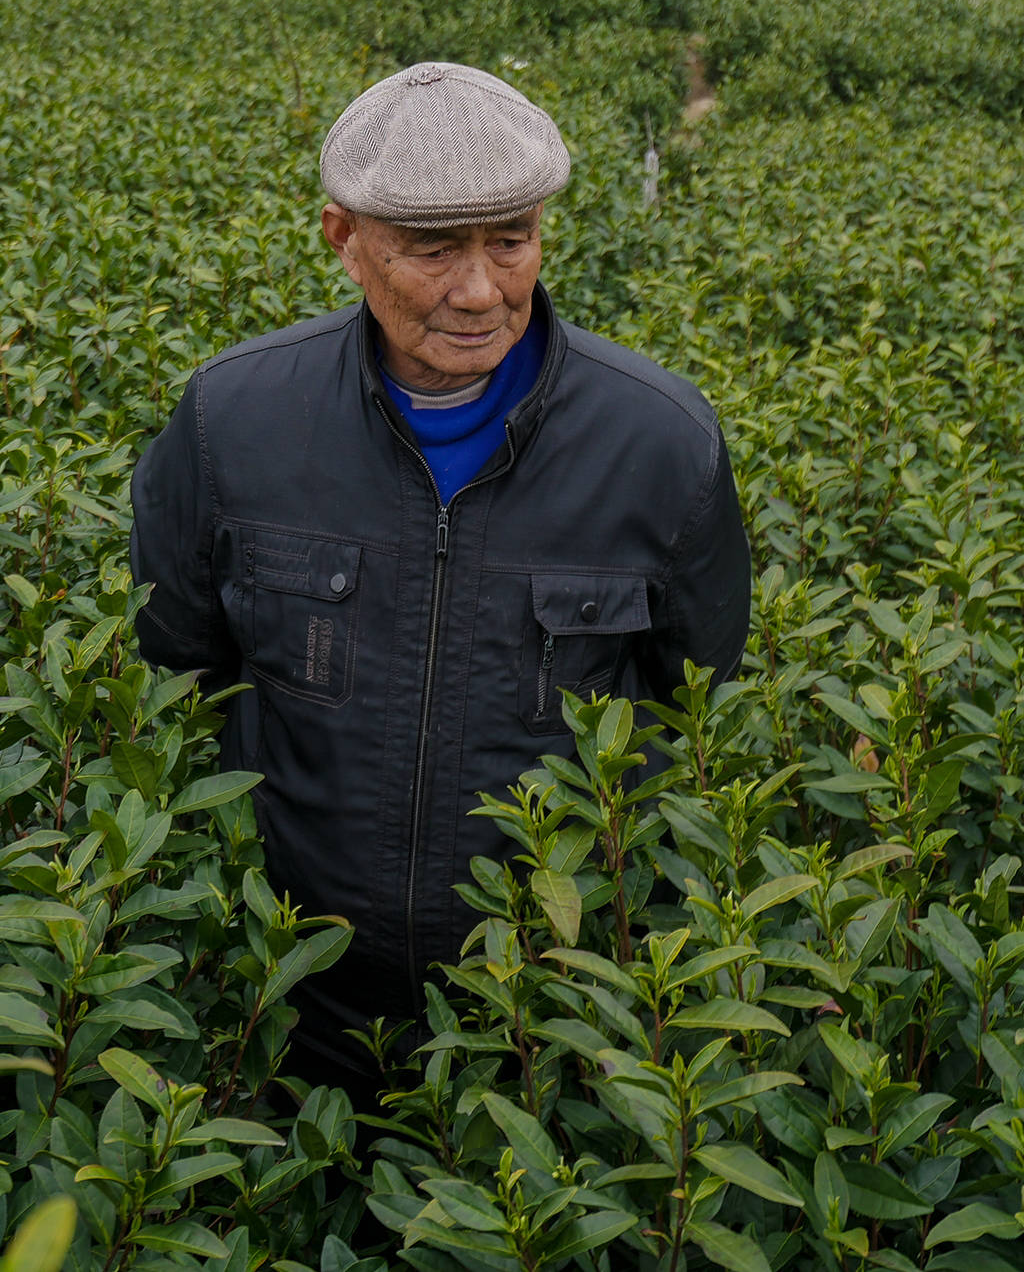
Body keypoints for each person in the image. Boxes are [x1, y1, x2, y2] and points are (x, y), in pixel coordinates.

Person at [129, 61, 751, 1101]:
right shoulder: (235, 423)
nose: (481, 288)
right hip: (290, 1001)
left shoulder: (659, 442)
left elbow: (694, 690)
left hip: (548, 1016)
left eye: (511, 239)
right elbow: (177, 659)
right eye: (433, 249)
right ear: (344, 239)